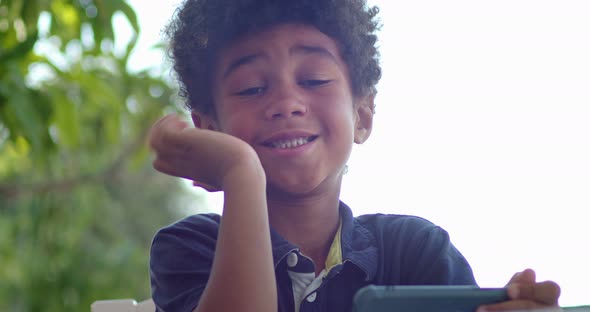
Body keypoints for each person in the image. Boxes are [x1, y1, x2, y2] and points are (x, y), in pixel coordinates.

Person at [147, 0, 561, 311]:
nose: (287, 102)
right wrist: (241, 172)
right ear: (210, 130)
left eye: (314, 79)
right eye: (253, 88)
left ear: (362, 115)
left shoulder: (415, 251)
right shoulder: (191, 247)